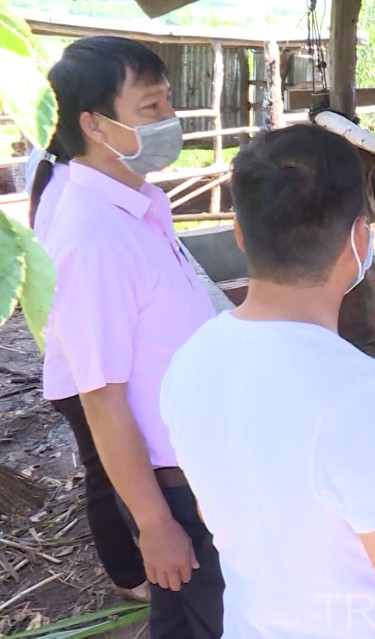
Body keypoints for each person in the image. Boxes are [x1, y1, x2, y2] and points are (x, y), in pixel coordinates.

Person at [160, 123, 375, 639]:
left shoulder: (187, 364)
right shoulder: (367, 397)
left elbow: (215, 506)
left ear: (240, 234)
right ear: (360, 239)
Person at [32, 36, 224, 637]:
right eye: (151, 108)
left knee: (190, 615)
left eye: (169, 103)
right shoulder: (92, 238)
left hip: (194, 466)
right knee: (202, 614)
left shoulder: (137, 203)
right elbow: (101, 398)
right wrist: (153, 523)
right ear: (94, 124)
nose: (169, 121)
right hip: (171, 485)